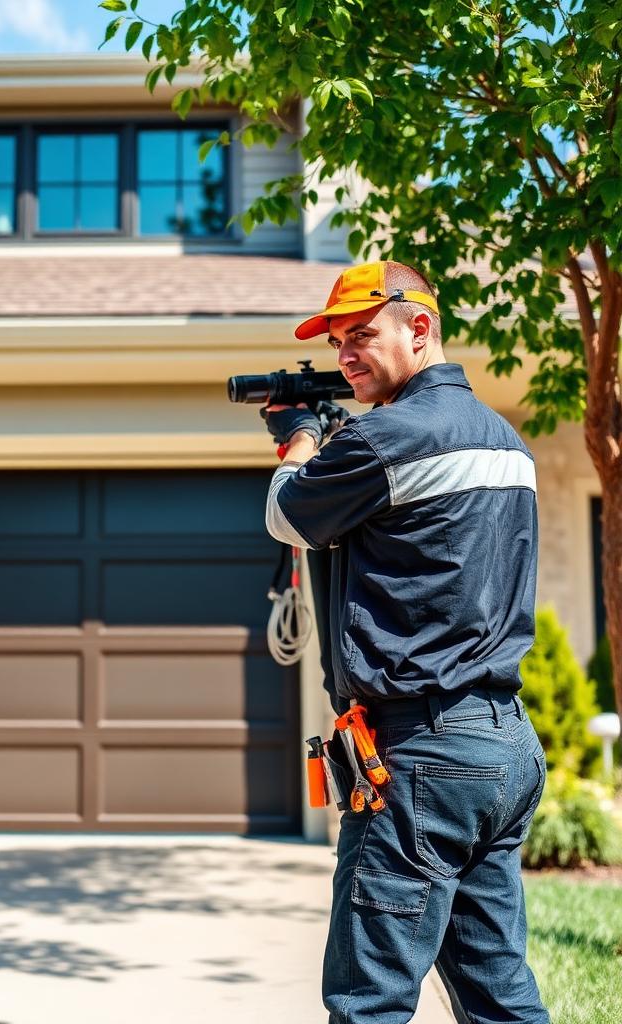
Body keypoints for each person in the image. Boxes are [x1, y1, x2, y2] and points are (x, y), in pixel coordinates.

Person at [262, 260, 550, 1024]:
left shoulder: (390, 438)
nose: (346, 356)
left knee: (370, 1002)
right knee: (499, 995)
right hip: (503, 748)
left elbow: (289, 516)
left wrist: (298, 439)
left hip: (419, 756)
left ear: (419, 327)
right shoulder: (505, 441)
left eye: (362, 335)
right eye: (337, 343)